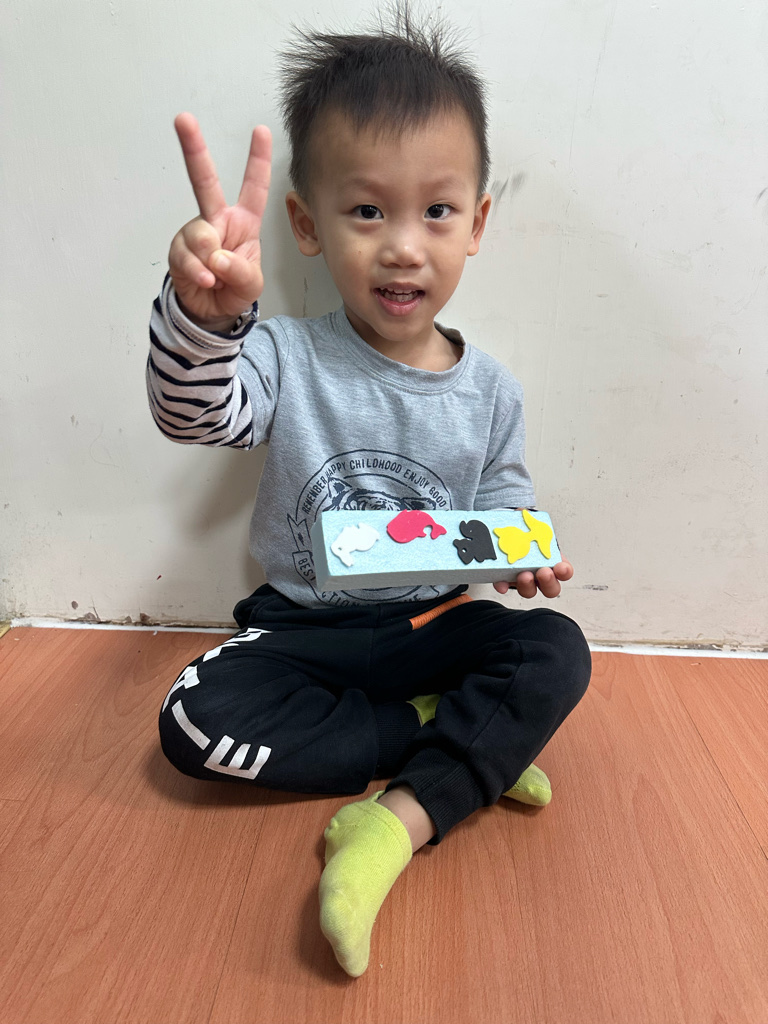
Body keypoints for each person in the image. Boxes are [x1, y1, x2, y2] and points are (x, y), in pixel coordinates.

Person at [147, 10, 591, 978]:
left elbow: (504, 511)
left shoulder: (492, 393)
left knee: (556, 651)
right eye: (366, 212)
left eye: (436, 212)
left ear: (477, 225)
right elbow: (195, 414)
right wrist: (203, 320)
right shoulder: (283, 354)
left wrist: (522, 554)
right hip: (303, 629)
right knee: (188, 723)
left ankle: (400, 817)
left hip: (434, 623)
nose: (403, 247)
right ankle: (447, 736)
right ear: (306, 225)